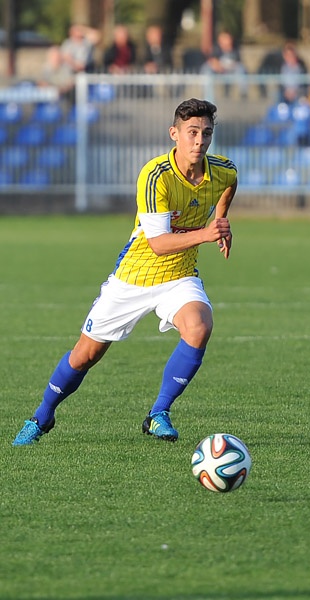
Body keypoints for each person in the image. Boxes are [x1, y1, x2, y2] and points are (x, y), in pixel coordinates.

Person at [12, 98, 238, 447]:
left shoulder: (223, 169)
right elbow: (159, 243)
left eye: (206, 133)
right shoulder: (155, 175)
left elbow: (229, 186)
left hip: (179, 275)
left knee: (199, 326)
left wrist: (221, 221)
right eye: (192, 132)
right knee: (85, 355)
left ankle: (158, 413)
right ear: (174, 134)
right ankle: (41, 416)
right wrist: (207, 234)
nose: (199, 141)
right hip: (133, 277)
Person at [201, 31, 248, 98]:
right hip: (218, 70)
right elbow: (212, 60)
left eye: (227, 39)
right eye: (223, 39)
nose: (225, 41)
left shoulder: (235, 48)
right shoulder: (216, 48)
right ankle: (207, 93)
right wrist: (217, 66)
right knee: (206, 68)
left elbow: (237, 61)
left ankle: (243, 93)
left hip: (231, 69)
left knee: (241, 69)